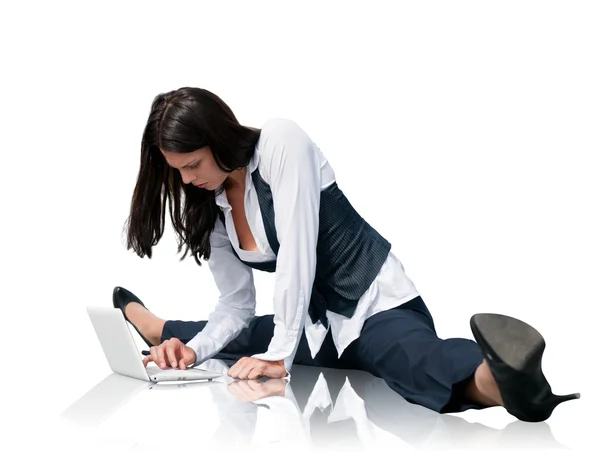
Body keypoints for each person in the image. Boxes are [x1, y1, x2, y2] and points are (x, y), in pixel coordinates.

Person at [115, 86, 579, 422]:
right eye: (179, 171)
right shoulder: (210, 205)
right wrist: (193, 353)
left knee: (406, 356)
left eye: (192, 164)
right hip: (312, 328)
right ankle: (159, 330)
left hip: (370, 304)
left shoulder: (280, 142)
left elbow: (299, 251)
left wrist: (279, 355)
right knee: (238, 339)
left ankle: (504, 381)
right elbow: (236, 305)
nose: (188, 179)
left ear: (217, 138)